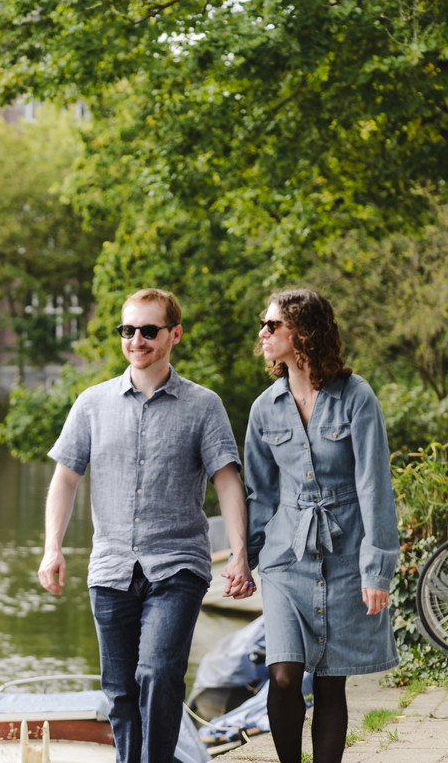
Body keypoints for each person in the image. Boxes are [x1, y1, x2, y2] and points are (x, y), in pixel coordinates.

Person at [38, 287, 255, 763]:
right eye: (128, 330)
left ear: (174, 334)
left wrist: (239, 553)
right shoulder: (92, 404)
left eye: (148, 330)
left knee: (157, 673)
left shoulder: (204, 406)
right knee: (118, 692)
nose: (136, 339)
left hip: (178, 566)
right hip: (111, 568)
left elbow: (227, 482)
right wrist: (53, 547)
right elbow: (65, 480)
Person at [244, 288, 398, 763]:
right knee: (284, 674)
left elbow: (375, 486)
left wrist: (377, 571)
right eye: (264, 325)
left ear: (303, 332)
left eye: (274, 326)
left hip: (346, 554)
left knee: (332, 681)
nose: (263, 334)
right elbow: (260, 494)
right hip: (285, 560)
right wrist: (243, 558)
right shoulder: (264, 409)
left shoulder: (357, 397)